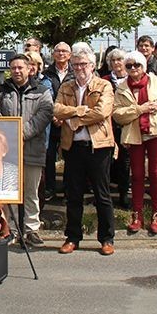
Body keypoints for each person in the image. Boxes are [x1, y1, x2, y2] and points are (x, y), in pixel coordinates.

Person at [54, 44, 116, 256]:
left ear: (92, 65)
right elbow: (57, 109)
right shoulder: (67, 87)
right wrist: (78, 111)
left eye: (84, 64)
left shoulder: (104, 86)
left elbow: (102, 112)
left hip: (98, 147)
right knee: (73, 195)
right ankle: (72, 237)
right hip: (73, 148)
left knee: (102, 195)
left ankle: (106, 238)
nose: (80, 68)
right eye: (76, 64)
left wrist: (75, 120)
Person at [113, 51, 157, 235]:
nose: (133, 69)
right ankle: (137, 214)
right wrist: (139, 109)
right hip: (134, 134)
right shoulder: (121, 87)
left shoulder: (156, 81)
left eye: (137, 65)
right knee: (136, 175)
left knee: (156, 173)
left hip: (156, 131)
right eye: (129, 66)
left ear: (144, 66)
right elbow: (117, 114)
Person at [0, 53, 53, 247]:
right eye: (14, 68)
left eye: (21, 67)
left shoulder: (42, 91)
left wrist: (20, 133)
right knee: (9, 192)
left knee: (30, 192)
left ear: (30, 69)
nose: (17, 71)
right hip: (8, 150)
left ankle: (31, 230)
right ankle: (10, 229)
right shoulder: (1, 91)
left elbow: (44, 115)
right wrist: (9, 134)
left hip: (33, 149)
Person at [45, 41, 74, 201]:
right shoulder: (46, 73)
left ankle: (68, 188)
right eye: (58, 51)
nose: (61, 54)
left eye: (64, 51)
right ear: (53, 54)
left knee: (69, 156)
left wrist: (65, 115)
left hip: (69, 121)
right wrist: (54, 115)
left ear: (69, 55)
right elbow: (45, 98)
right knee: (49, 156)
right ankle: (50, 187)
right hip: (51, 122)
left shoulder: (75, 72)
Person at [102, 48, 130, 209]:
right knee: (107, 160)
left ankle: (124, 192)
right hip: (108, 125)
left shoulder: (130, 80)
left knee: (125, 161)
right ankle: (105, 195)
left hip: (126, 125)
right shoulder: (105, 80)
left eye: (120, 59)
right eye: (113, 60)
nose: (117, 63)